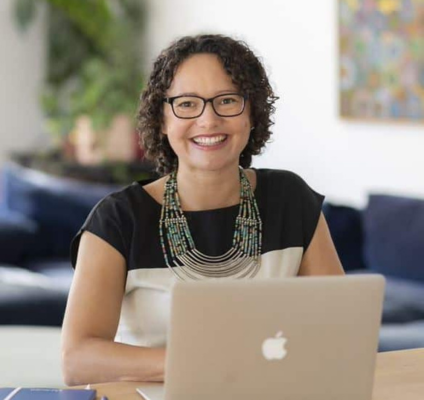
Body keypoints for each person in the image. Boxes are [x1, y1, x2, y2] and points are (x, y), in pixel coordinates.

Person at [61, 34, 344, 386]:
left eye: (227, 101)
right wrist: (203, 363)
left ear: (251, 113)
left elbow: (341, 332)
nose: (208, 120)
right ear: (162, 119)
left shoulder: (291, 199)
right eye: (187, 104)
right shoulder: (118, 219)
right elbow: (78, 359)